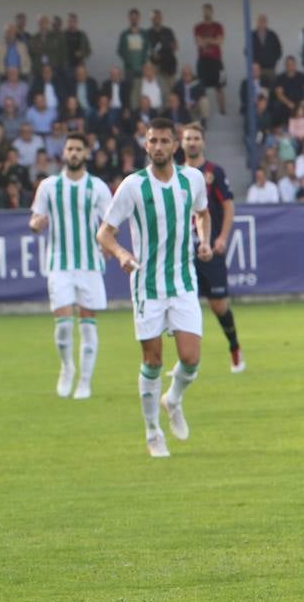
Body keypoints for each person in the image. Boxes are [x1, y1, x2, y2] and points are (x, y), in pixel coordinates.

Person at [96, 118, 212, 458]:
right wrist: (120, 254)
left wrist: (203, 240)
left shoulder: (192, 179)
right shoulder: (133, 186)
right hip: (147, 285)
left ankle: (172, 399)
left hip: (183, 281)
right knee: (154, 360)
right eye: (153, 141)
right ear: (145, 145)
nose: (158, 146)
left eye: (164, 141)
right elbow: (105, 232)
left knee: (191, 359)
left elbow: (202, 214)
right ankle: (152, 432)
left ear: (175, 145)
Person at [28, 134, 113, 400]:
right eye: (70, 148)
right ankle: (67, 367)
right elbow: (36, 218)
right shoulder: (49, 186)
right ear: (63, 153)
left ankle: (85, 381)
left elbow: (110, 222)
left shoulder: (98, 187)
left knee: (87, 325)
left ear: (86, 154)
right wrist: (36, 225)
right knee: (63, 325)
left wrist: (108, 243)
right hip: (59, 263)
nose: (74, 153)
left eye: (78, 149)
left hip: (89, 263)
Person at [180, 124, 244, 373]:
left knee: (218, 304)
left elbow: (227, 206)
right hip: (183, 252)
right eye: (188, 138)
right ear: (181, 143)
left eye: (196, 138)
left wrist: (222, 238)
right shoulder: (175, 173)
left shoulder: (213, 172)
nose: (192, 142)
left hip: (209, 247)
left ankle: (235, 347)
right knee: (182, 305)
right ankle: (185, 361)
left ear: (203, 142)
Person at [193, 3, 227, 115]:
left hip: (217, 61)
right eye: (204, 11)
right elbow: (199, 43)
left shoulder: (218, 26)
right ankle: (204, 114)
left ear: (212, 12)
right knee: (202, 88)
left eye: (208, 10)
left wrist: (206, 41)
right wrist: (212, 40)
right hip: (203, 61)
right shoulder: (198, 27)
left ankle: (222, 111)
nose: (206, 13)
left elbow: (220, 42)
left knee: (220, 86)